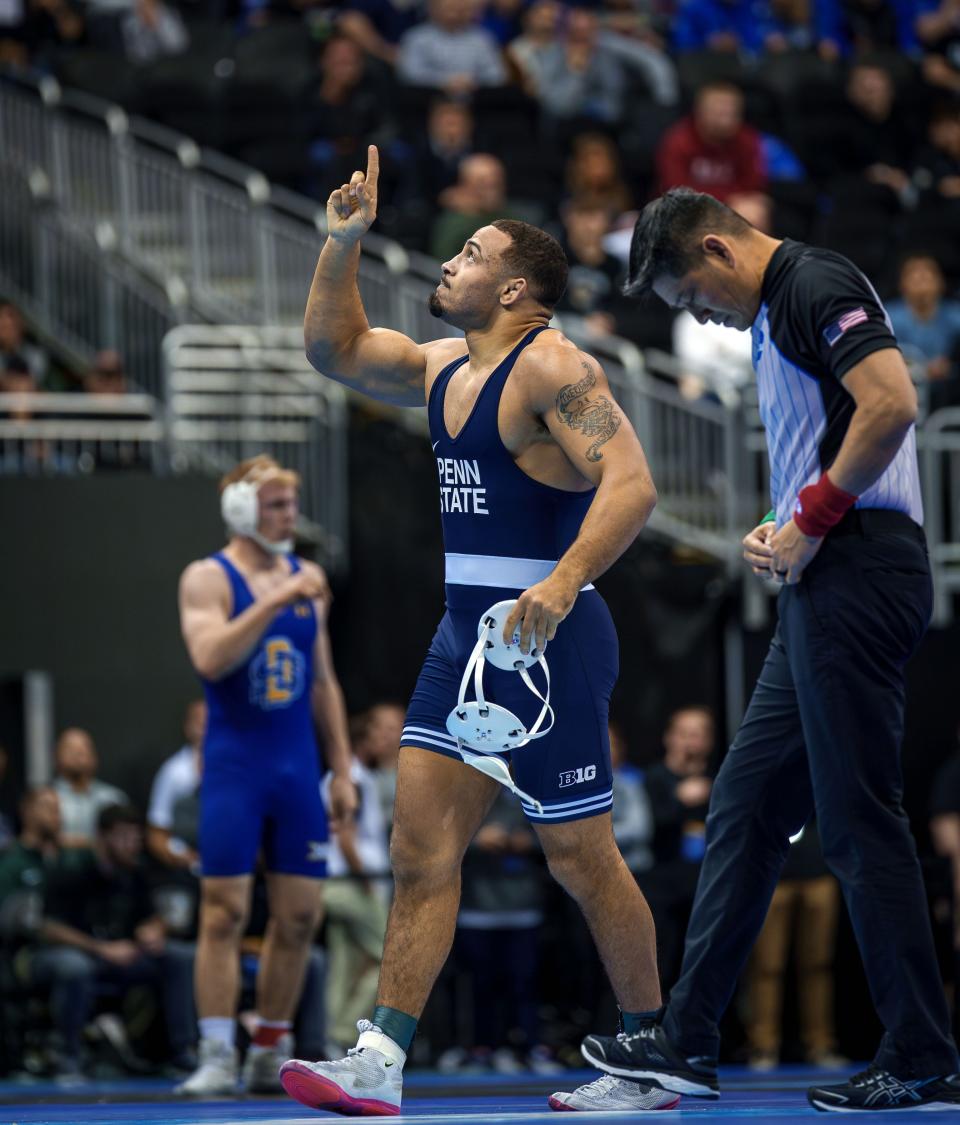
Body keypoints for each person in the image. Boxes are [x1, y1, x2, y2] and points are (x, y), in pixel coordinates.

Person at [279, 145, 675, 1116]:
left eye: (467, 253)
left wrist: (565, 580)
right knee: (420, 854)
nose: (447, 264)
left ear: (513, 288)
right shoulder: (443, 364)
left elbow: (635, 485)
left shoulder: (556, 366)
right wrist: (342, 245)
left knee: (581, 858)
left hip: (552, 640)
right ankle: (382, 1058)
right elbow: (331, 351)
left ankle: (648, 1055)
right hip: (464, 640)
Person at [579, 186, 960, 1112]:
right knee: (746, 809)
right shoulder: (780, 307)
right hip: (831, 570)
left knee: (860, 820)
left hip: (861, 571)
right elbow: (826, 440)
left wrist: (811, 521)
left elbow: (892, 404)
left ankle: (918, 1050)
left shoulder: (811, 282)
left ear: (715, 248)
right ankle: (685, 1041)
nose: (702, 315)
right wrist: (777, 523)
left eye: (692, 297)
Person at [175, 454, 356, 1095]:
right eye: (276, 506)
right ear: (242, 512)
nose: (289, 517)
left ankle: (267, 1047)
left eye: (289, 504)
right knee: (223, 912)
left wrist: (341, 770)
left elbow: (323, 681)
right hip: (236, 766)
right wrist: (277, 595)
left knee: (301, 916)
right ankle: (217, 1051)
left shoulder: (307, 576)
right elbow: (211, 656)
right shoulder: (207, 577)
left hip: (294, 766)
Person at [31, 804, 195, 1079]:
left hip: (122, 956)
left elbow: (158, 916)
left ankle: (182, 1051)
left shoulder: (135, 871)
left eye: (136, 837)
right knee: (74, 967)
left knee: (180, 957)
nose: (132, 845)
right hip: (67, 954)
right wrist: (101, 948)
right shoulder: (71, 868)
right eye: (124, 836)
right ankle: (69, 1056)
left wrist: (153, 929)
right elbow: (48, 928)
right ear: (102, 837)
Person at [641, 707, 714, 993]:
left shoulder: (717, 778)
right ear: (669, 738)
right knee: (660, 962)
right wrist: (680, 798)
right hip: (661, 884)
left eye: (698, 735)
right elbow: (647, 825)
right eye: (684, 734)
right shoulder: (654, 777)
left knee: (702, 964)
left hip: (704, 885)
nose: (690, 742)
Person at [146, 699, 205, 874]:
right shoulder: (172, 771)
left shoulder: (238, 771)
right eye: (198, 720)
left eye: (211, 720)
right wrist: (183, 857)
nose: (204, 726)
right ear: (187, 727)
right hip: (183, 866)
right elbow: (156, 833)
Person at [52, 728, 128, 848]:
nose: (77, 753)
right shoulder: (46, 799)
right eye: (70, 748)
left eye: (84, 748)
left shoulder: (113, 799)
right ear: (56, 757)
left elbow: (125, 841)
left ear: (95, 757)